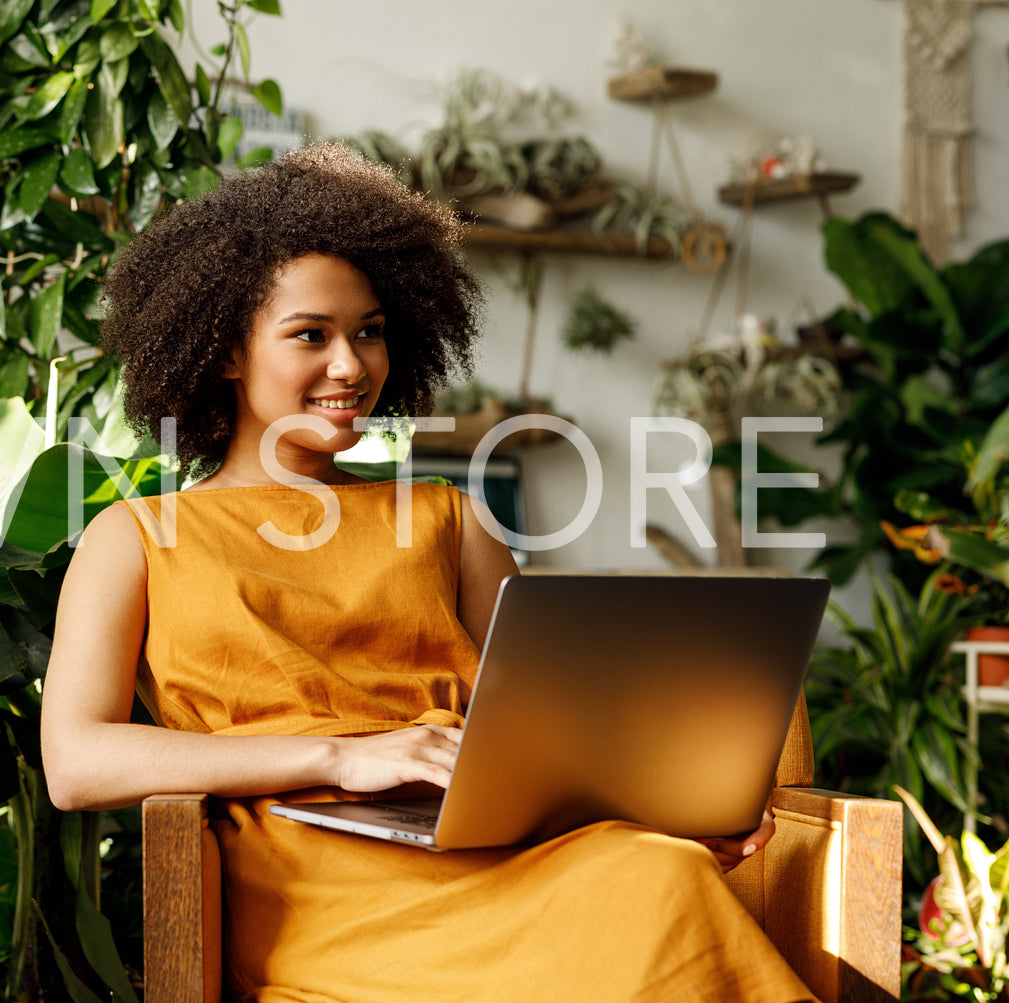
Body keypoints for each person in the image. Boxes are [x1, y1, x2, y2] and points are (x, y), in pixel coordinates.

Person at [41, 144, 813, 1003]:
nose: (351, 366)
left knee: (657, 872)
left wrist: (662, 806)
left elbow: (535, 728)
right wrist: (344, 756)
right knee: (648, 888)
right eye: (311, 335)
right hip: (316, 888)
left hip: (486, 850)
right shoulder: (136, 536)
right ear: (223, 350)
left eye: (368, 331)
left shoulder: (451, 518)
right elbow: (76, 761)